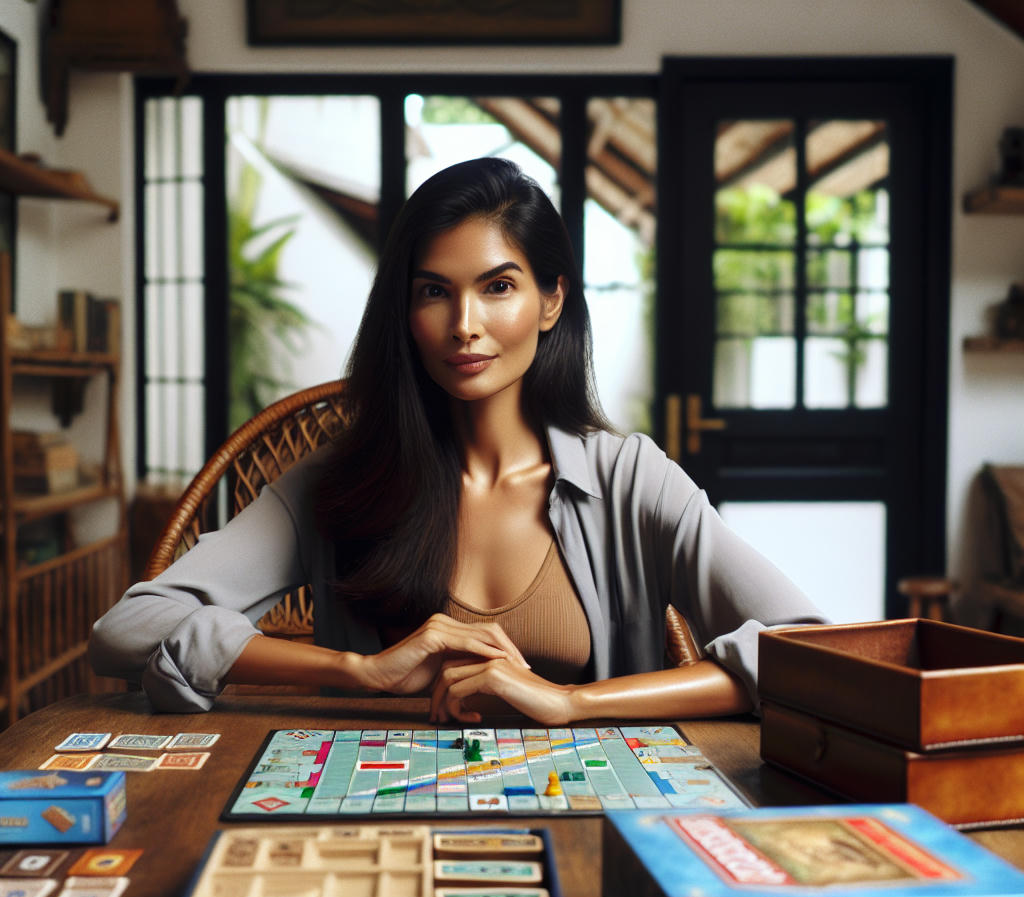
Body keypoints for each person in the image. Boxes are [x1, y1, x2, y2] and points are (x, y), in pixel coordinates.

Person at [90, 156, 825, 719]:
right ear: (405, 312)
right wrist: (357, 670)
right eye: (434, 291)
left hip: (590, 815)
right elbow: (127, 629)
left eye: (498, 287)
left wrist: (571, 704)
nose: (463, 324)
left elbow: (815, 652)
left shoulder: (629, 480)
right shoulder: (338, 481)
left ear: (551, 299)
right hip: (370, 815)